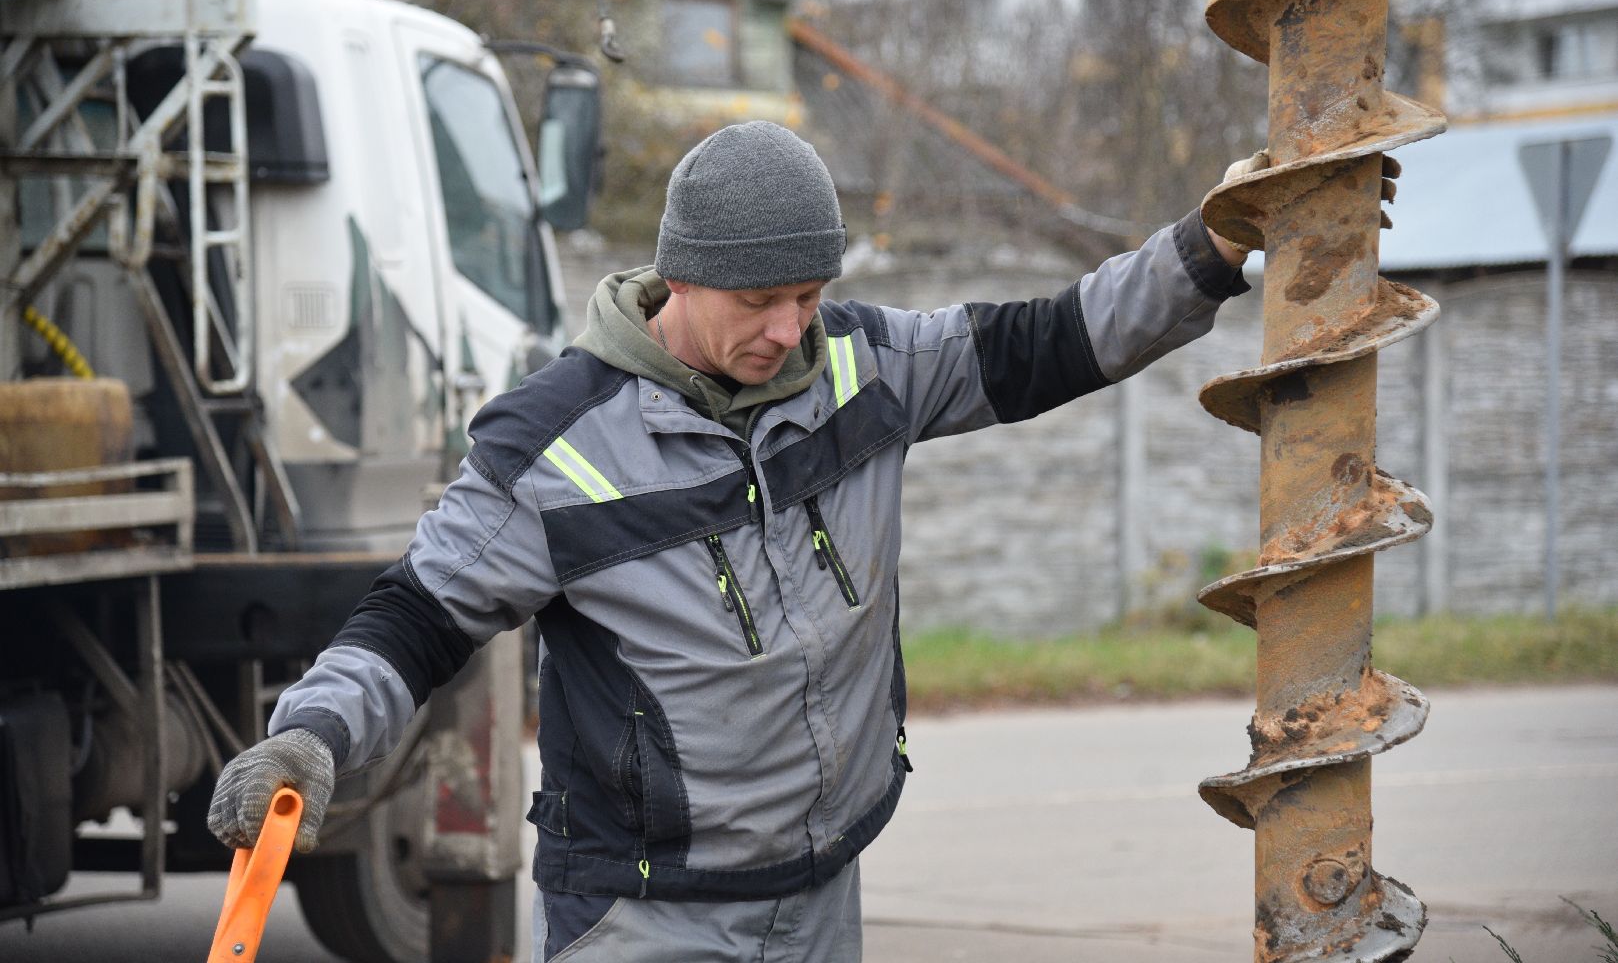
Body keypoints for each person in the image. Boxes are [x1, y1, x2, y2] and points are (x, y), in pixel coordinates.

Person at [209, 120, 1254, 961]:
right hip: (640, 916)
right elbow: (414, 617)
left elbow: (1054, 340)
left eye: (809, 296)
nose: (790, 329)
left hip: (818, 896)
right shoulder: (559, 447)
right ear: (683, 279)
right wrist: (312, 735)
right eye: (760, 301)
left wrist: (1207, 249)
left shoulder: (866, 366)